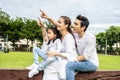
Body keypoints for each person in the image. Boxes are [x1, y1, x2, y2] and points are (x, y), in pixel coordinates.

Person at [40, 10, 77, 80]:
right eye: (58, 22)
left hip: (67, 62)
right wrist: (46, 19)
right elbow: (46, 38)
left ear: (66, 25)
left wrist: (55, 53)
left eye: (60, 22)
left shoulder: (68, 38)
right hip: (59, 60)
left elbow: (70, 55)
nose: (57, 24)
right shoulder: (60, 35)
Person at [66, 15, 99, 80]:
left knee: (70, 65)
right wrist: (48, 18)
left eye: (76, 24)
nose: (73, 25)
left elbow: (85, 57)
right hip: (82, 61)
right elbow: (63, 27)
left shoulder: (90, 38)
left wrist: (70, 58)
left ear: (83, 27)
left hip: (91, 63)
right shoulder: (75, 34)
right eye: (73, 23)